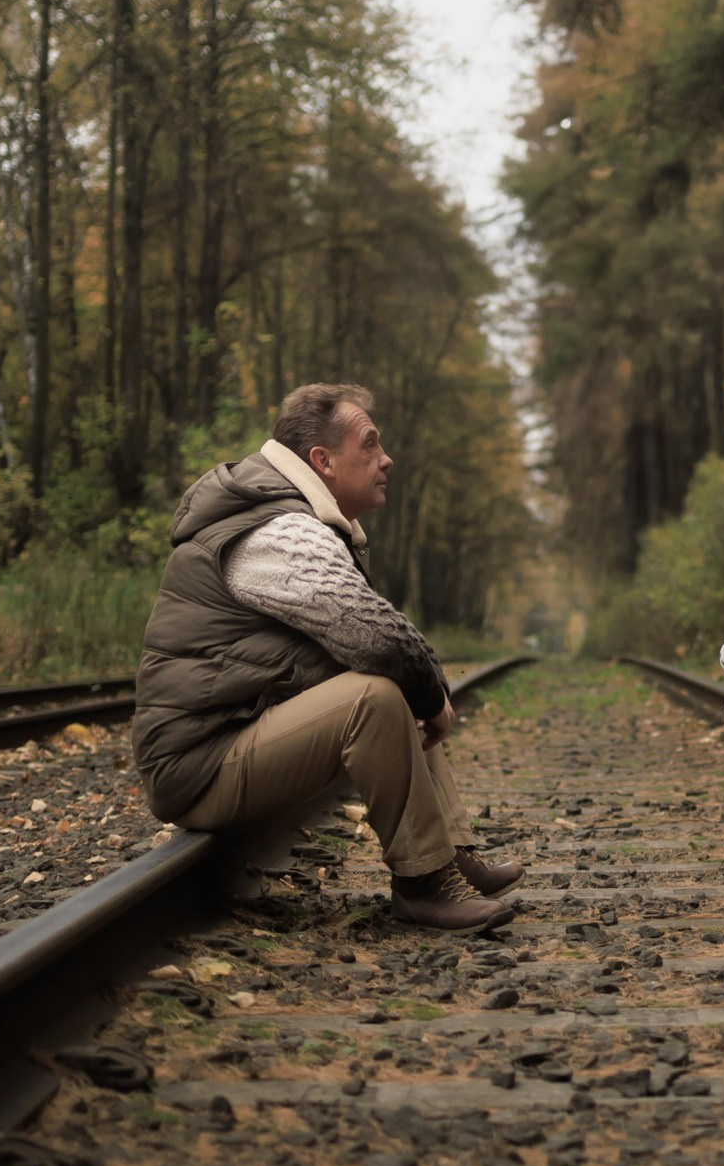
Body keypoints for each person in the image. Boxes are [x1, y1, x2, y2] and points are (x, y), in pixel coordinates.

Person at [132, 383, 523, 930]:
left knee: (394, 688)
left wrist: (427, 689)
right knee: (378, 694)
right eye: (369, 444)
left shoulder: (289, 517)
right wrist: (435, 696)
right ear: (323, 460)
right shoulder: (276, 530)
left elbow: (374, 631)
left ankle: (449, 855)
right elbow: (375, 638)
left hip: (233, 740)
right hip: (198, 770)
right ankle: (424, 885)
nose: (386, 459)